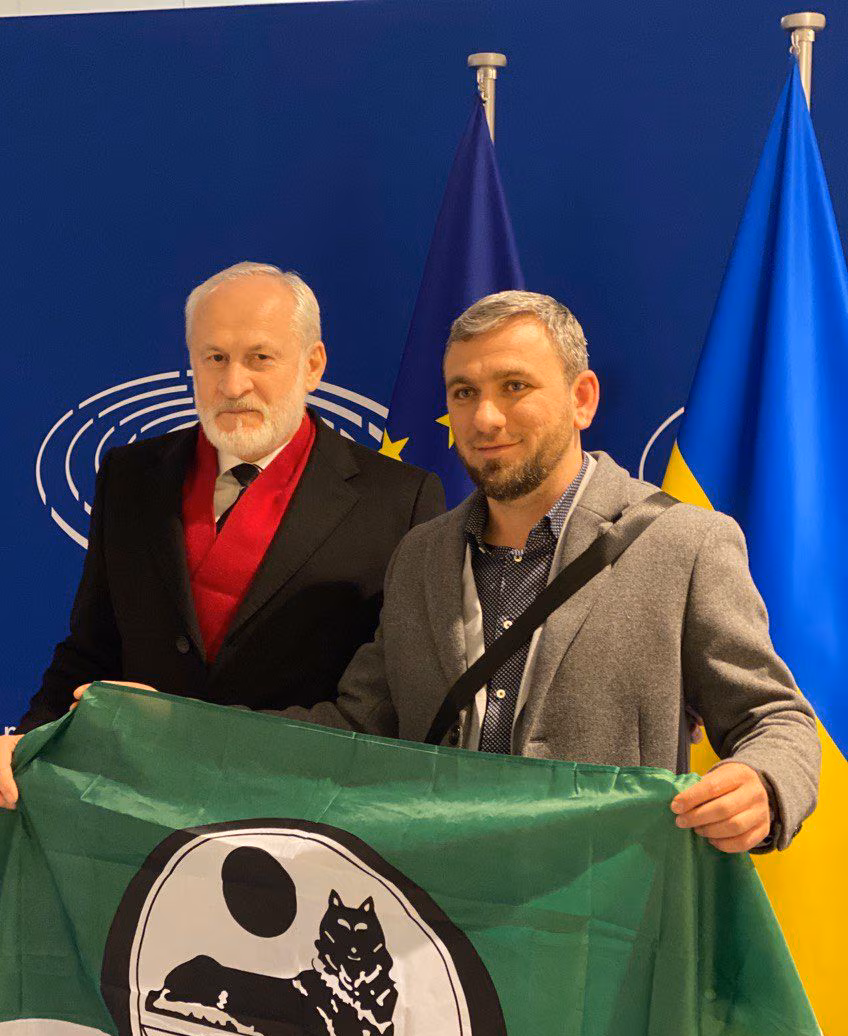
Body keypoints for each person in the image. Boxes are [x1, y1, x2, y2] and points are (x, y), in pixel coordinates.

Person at [273, 290, 819, 852]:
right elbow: (363, 725)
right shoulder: (420, 555)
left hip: (608, 899)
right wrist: (216, 741)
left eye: (515, 386)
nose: (485, 418)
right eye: (464, 393)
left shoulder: (683, 543)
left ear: (582, 399)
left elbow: (773, 718)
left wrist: (764, 785)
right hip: (436, 896)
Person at [0, 262, 445, 808]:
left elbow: (378, 714)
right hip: (137, 807)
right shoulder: (130, 477)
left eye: (260, 358)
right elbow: (92, 650)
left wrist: (189, 732)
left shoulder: (399, 502)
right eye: (214, 358)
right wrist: (30, 740)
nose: (233, 384)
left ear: (313, 364)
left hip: (301, 814)